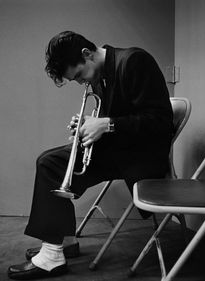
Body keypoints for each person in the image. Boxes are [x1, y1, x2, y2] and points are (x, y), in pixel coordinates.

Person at [8, 31, 173, 279]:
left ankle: (53, 255)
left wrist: (107, 125)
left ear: (87, 54)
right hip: (120, 149)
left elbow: (161, 122)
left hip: (141, 157)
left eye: (78, 76)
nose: (81, 83)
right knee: (51, 161)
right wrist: (88, 125)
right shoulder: (99, 73)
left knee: (51, 165)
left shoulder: (135, 61)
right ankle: (63, 241)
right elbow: (113, 116)